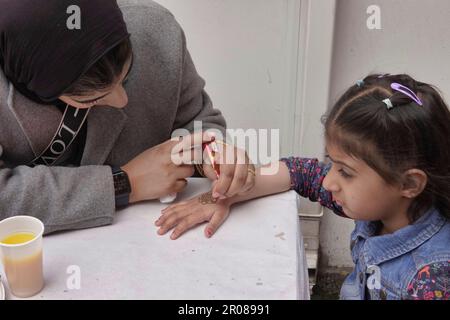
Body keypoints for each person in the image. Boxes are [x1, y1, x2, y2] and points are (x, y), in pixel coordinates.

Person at [157, 73, 450, 300]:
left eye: (346, 172)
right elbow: (298, 172)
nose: (328, 181)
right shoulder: (387, 206)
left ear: (409, 183)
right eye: (332, 163)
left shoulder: (431, 278)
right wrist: (226, 193)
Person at [0, 0, 254, 234]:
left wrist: (212, 154)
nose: (122, 100)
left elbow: (199, 121)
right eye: (90, 98)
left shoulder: (157, 32)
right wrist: (123, 183)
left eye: (127, 73)